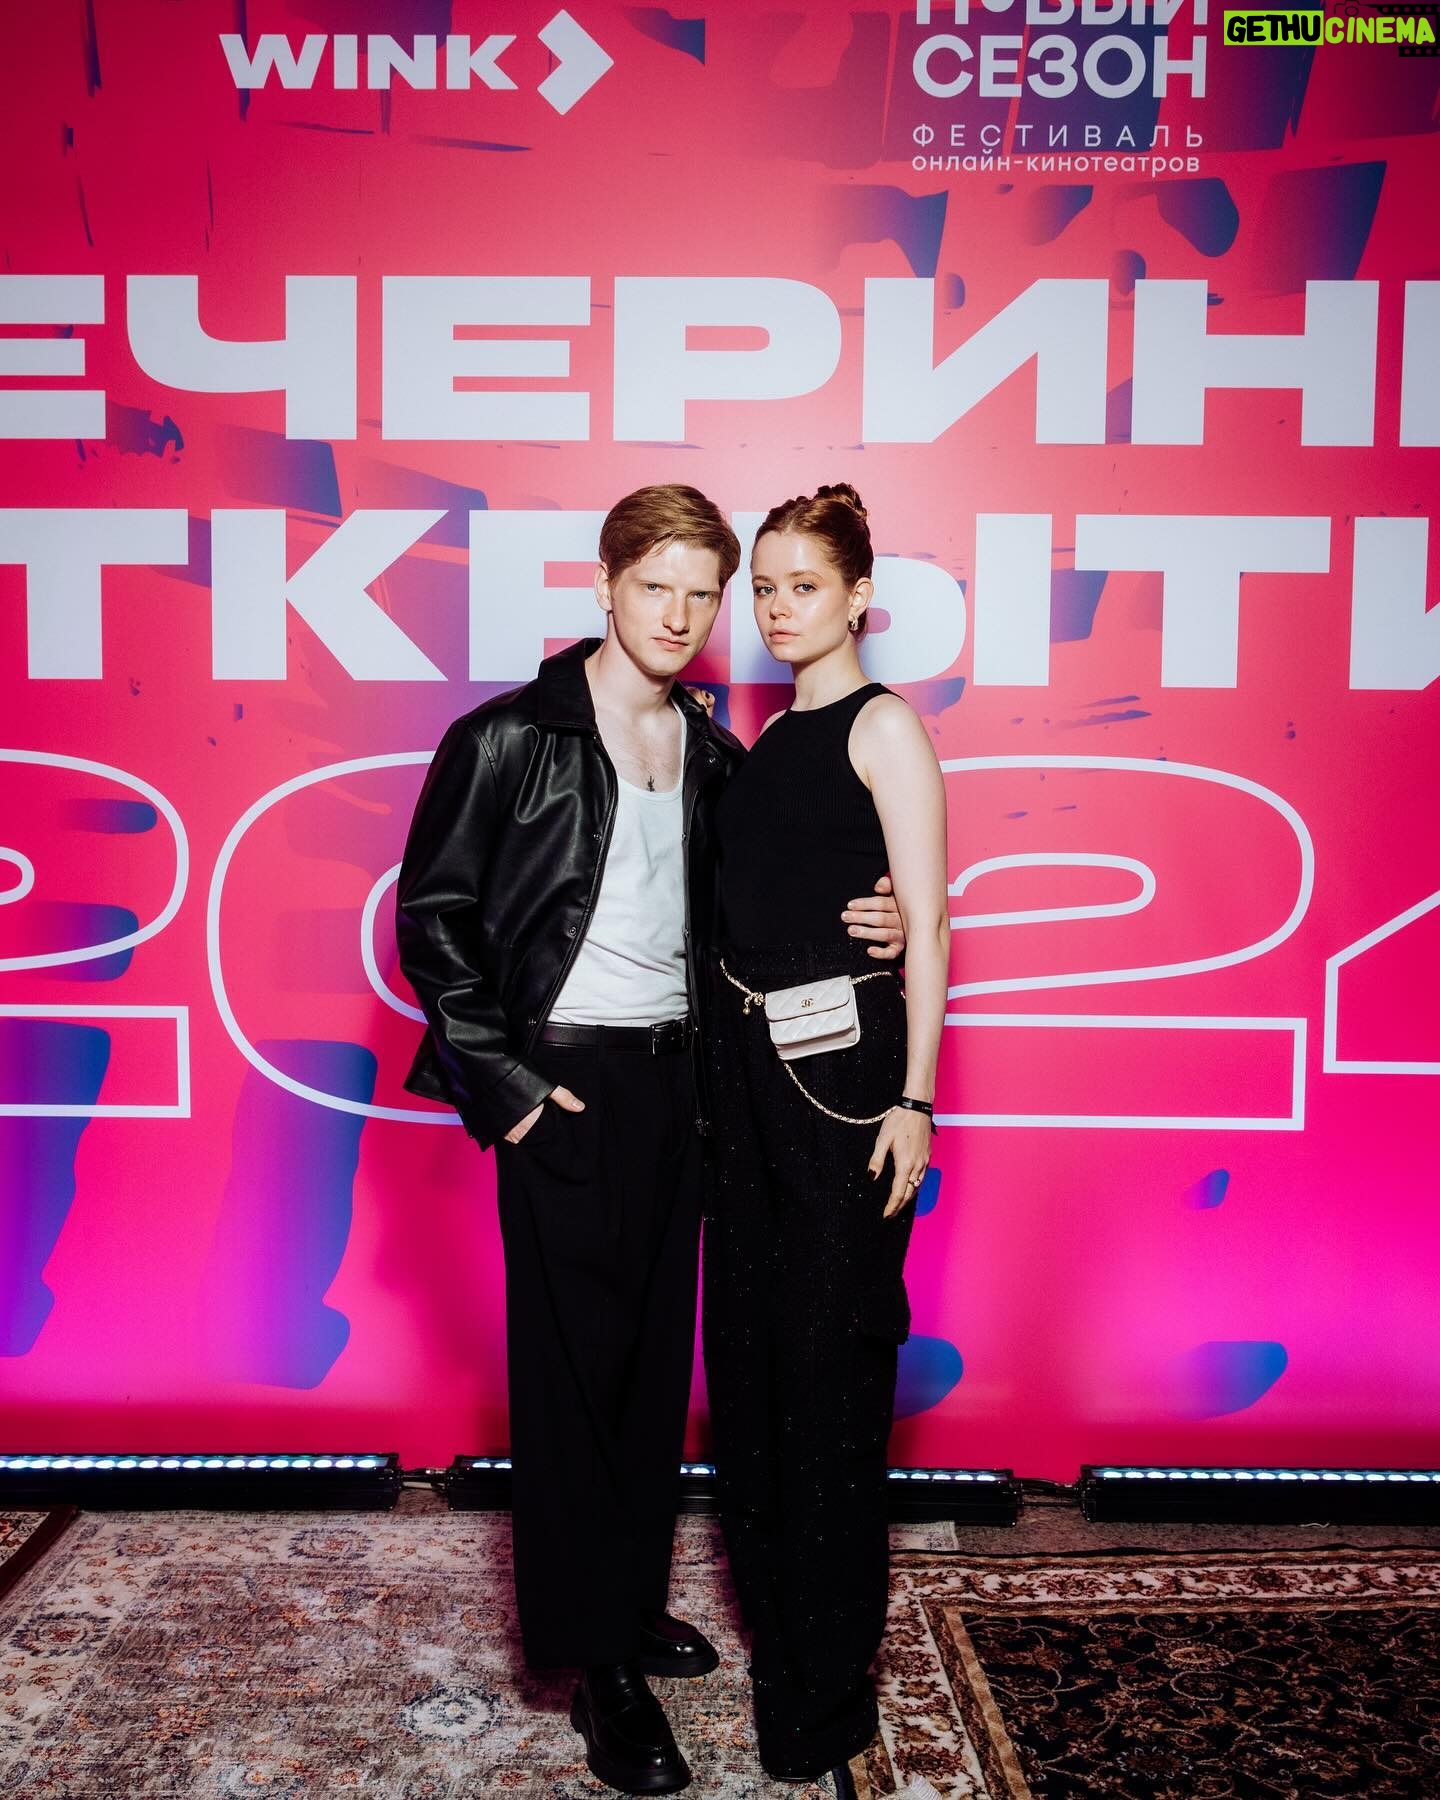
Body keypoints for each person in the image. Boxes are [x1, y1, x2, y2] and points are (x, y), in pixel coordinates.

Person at [393, 484, 905, 1797]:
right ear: (604, 585)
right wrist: (506, 1083)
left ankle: (625, 1601)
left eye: (701, 594)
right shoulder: (507, 738)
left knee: (647, 1375)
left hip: (690, 1092)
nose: (678, 616)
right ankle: (597, 1668)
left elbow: (774, 899)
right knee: (572, 1380)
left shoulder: (719, 753)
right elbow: (432, 918)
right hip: (561, 1086)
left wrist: (888, 915)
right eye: (653, 587)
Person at [702, 483, 951, 1781]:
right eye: (765, 587)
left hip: (844, 1086)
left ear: (859, 597)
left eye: (804, 585)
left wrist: (916, 1099)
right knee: (749, 1377)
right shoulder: (760, 747)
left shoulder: (883, 726)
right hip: (742, 1085)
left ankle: (825, 1688)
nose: (778, 608)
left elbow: (930, 922)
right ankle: (779, 1645)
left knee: (830, 1381)